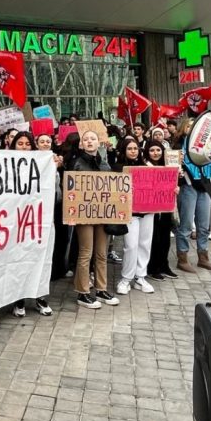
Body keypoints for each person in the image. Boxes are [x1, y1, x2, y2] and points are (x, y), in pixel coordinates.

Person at [71, 129, 119, 309]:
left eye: (93, 139)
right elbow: (71, 190)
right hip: (84, 215)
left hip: (101, 213)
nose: (90, 141)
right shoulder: (76, 163)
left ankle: (101, 288)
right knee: (86, 252)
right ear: (81, 144)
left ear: (99, 143)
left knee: (101, 253)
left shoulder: (105, 164)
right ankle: (82, 292)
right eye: (86, 139)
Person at [7, 132, 53, 317]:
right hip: (16, 222)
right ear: (14, 145)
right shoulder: (6, 165)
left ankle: (40, 297)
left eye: (27, 144)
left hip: (40, 221)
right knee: (19, 260)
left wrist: (54, 167)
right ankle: (19, 300)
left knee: (41, 258)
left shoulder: (44, 164)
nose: (24, 147)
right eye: (20, 144)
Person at [113, 137, 155, 295]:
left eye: (135, 148)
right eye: (129, 149)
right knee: (130, 245)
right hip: (129, 212)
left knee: (145, 243)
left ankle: (140, 277)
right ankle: (125, 278)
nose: (133, 151)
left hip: (147, 211)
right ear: (124, 150)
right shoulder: (118, 167)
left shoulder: (147, 166)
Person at [176, 118, 211, 273]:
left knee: (204, 225)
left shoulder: (204, 146)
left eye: (195, 127)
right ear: (183, 127)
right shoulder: (178, 145)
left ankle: (203, 257)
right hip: (188, 186)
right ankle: (182, 258)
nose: (192, 129)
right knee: (186, 225)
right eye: (189, 126)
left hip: (204, 186)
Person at [142, 141, 178, 281]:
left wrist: (176, 187)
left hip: (166, 206)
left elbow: (174, 183)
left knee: (165, 237)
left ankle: (164, 265)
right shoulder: (144, 166)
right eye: (152, 150)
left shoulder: (169, 165)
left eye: (158, 150)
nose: (155, 153)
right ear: (147, 152)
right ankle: (153, 268)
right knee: (154, 238)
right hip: (151, 207)